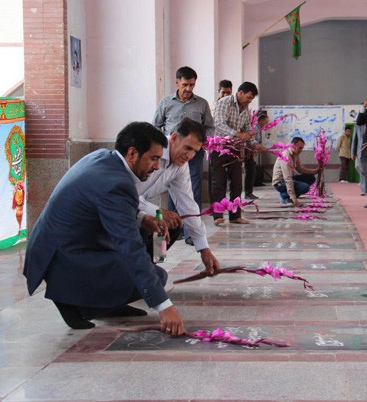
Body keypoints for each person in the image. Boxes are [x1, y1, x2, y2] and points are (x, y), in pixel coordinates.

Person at [23, 122, 187, 334]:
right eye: (154, 158)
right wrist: (164, 306)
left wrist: (141, 217)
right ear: (132, 153)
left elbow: (100, 205)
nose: (157, 167)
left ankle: (108, 304)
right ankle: (73, 301)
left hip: (70, 243)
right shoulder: (115, 183)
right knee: (157, 276)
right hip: (64, 256)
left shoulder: (103, 158)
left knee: (149, 245)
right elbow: (130, 248)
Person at [136, 119, 221, 270]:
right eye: (187, 148)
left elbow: (187, 204)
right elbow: (123, 196)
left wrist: (203, 248)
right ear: (174, 138)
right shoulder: (151, 151)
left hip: (139, 206)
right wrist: (156, 212)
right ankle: (138, 270)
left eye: (195, 151)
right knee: (156, 221)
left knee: (173, 223)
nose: (190, 156)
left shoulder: (180, 165)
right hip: (120, 209)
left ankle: (151, 265)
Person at [153, 66, 215, 242]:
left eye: (192, 85)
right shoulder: (166, 103)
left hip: (194, 154)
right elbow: (155, 126)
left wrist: (205, 141)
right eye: (185, 84)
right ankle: (175, 230)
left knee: (192, 190)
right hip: (171, 153)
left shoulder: (201, 104)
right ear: (177, 83)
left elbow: (210, 126)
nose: (188, 89)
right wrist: (163, 143)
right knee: (173, 190)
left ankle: (189, 233)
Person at [210, 81, 263, 226]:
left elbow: (247, 129)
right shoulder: (224, 103)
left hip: (235, 149)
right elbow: (219, 125)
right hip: (219, 148)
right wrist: (238, 135)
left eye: (251, 99)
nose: (249, 100)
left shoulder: (246, 109)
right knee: (219, 183)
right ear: (240, 93)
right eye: (248, 97)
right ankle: (218, 215)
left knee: (237, 184)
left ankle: (235, 216)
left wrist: (254, 144)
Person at [272, 137, 319, 206]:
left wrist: (315, 171)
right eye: (300, 148)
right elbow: (288, 179)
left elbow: (300, 169)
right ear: (293, 146)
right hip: (280, 183)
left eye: (302, 148)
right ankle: (285, 196)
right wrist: (294, 199)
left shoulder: (295, 154)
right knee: (305, 187)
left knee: (311, 178)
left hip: (289, 178)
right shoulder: (286, 156)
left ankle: (286, 195)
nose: (301, 150)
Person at [244, 113, 269, 200]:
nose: (266, 124)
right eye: (266, 121)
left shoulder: (258, 128)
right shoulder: (255, 127)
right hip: (249, 151)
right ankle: (248, 193)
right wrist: (256, 149)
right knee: (250, 172)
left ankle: (249, 192)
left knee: (252, 172)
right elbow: (251, 140)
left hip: (253, 151)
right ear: (261, 120)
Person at [350, 122, 367, 195]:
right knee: (362, 170)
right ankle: (364, 189)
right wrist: (353, 152)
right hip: (360, 151)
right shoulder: (357, 125)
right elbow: (355, 139)